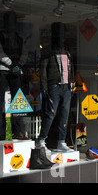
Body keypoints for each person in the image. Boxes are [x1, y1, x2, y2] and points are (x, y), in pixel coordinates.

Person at [36, 22, 74, 153]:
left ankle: (61, 142)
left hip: (67, 86)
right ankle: (41, 141)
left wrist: (72, 83)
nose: (61, 36)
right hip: (54, 85)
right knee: (50, 113)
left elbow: (70, 67)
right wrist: (45, 87)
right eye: (59, 33)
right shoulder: (48, 50)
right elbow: (43, 70)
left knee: (65, 114)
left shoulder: (67, 50)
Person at [0, 11, 28, 142]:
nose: (11, 25)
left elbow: (24, 52)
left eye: (13, 22)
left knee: (18, 102)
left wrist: (19, 64)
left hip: (15, 70)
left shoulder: (19, 37)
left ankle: (18, 131)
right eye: (9, 21)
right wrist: (12, 64)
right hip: (2, 70)